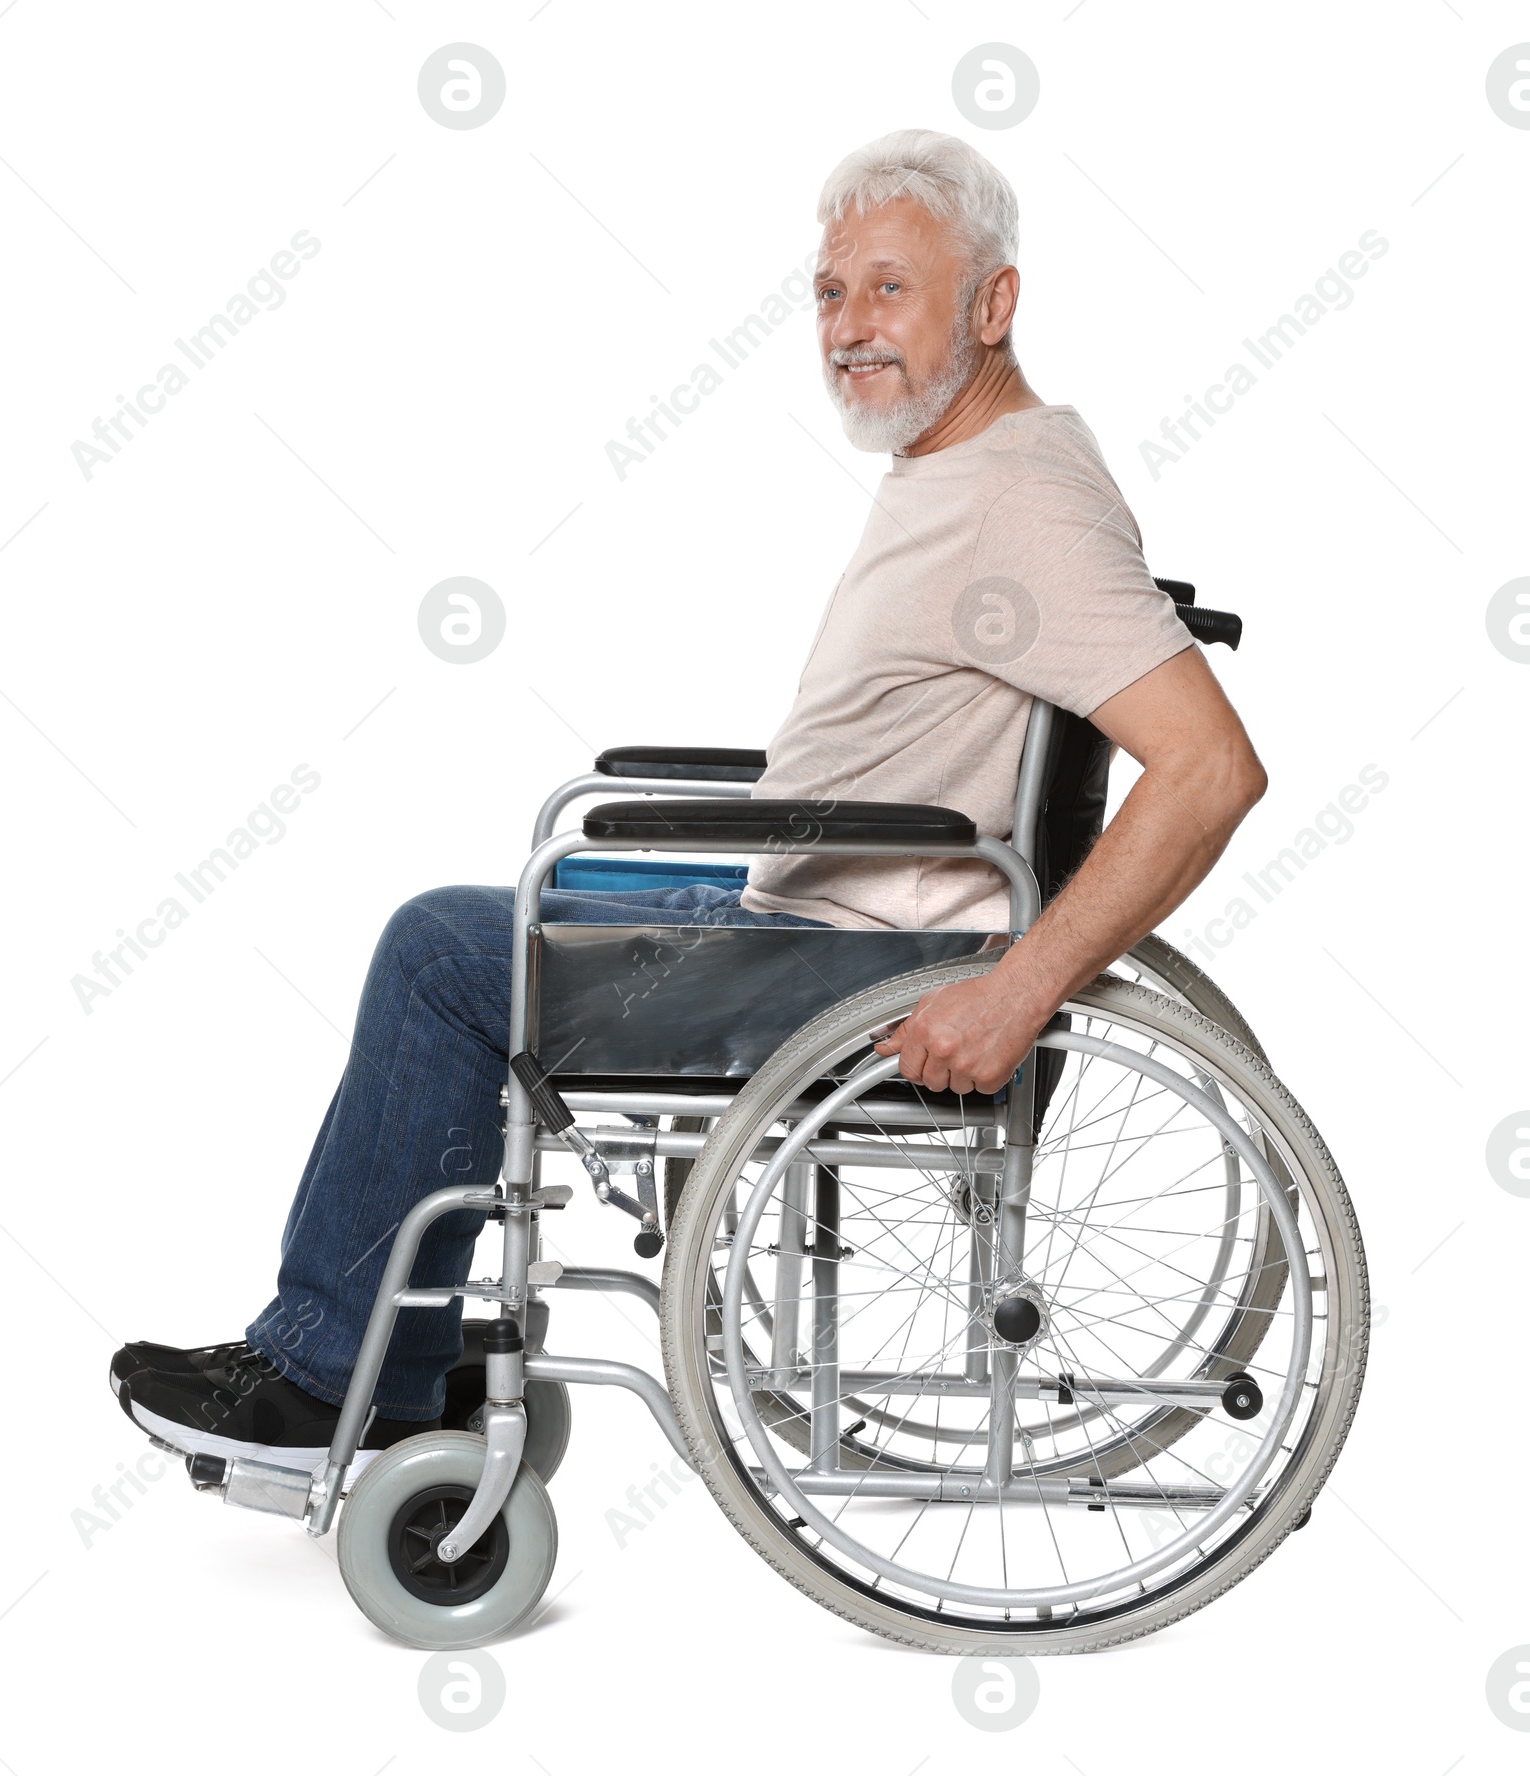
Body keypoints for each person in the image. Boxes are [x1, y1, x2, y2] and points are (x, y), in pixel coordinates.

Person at [110, 128, 1266, 1478]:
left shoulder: (1023, 501)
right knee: (530, 902)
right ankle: (394, 1361)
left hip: (861, 965)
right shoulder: (970, 469)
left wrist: (1020, 988)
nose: (847, 328)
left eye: (890, 287)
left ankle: (332, 1376)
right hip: (823, 909)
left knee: (447, 953)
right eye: (830, 294)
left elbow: (1212, 770)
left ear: (994, 303)